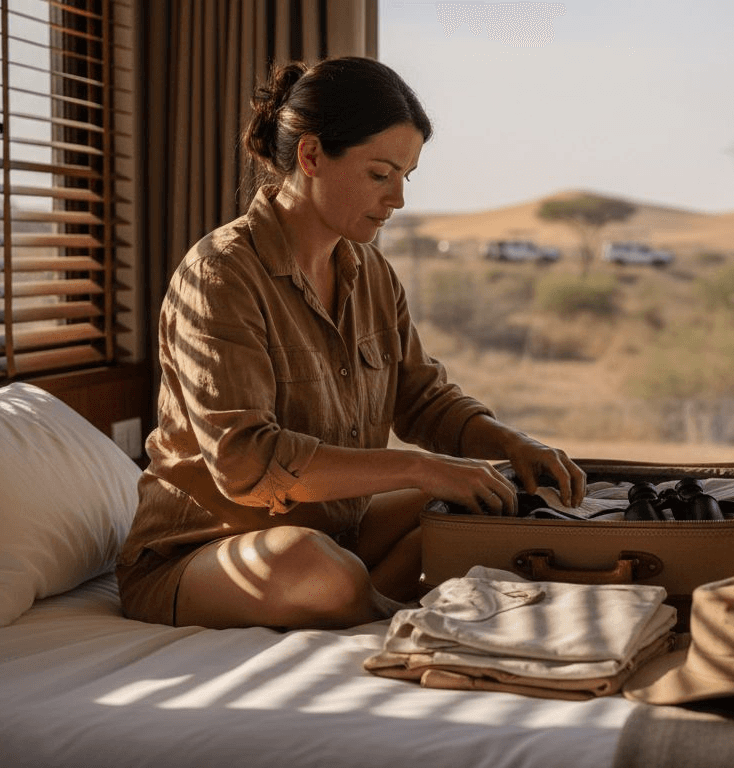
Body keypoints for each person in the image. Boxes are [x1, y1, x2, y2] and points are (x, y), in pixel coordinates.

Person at [116, 56, 586, 631]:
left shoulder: (372, 273)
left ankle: (384, 604)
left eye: (405, 177)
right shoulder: (219, 274)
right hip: (210, 554)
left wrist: (512, 444)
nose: (398, 199)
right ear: (311, 156)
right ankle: (409, 621)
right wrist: (418, 468)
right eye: (379, 174)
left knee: (486, 497)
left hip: (338, 531)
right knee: (311, 563)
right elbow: (245, 464)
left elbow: (421, 400)